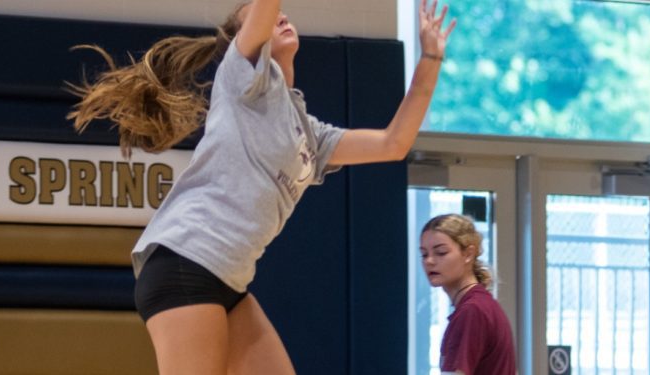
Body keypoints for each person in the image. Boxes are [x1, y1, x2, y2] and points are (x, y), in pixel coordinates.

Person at [68, 0, 455, 373]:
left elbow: (394, 143)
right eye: (268, 16)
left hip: (229, 279)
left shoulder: (311, 135)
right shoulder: (245, 78)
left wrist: (431, 59)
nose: (282, 16)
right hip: (185, 259)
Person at [419, 214, 516, 375]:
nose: (429, 261)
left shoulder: (472, 310)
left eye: (441, 252)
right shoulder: (480, 305)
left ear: (468, 254)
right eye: (424, 254)